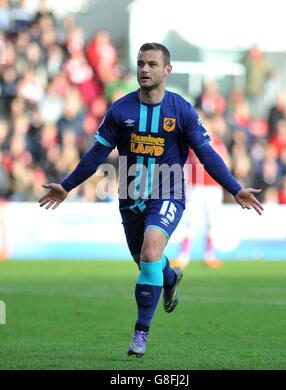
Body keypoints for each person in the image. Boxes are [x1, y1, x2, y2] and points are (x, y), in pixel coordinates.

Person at [39, 43, 264, 358]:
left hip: (168, 191)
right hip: (130, 194)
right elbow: (96, 155)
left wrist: (233, 187)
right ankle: (169, 276)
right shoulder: (120, 111)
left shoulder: (181, 110)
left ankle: (140, 334)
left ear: (167, 70)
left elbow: (207, 153)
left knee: (150, 250)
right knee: (149, 263)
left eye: (152, 64)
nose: (145, 69)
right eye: (141, 63)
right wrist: (67, 185)